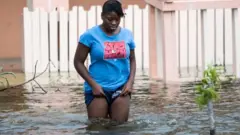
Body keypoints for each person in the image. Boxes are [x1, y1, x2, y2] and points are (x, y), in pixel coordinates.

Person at [74, 0, 136, 123]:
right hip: (97, 88)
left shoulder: (127, 35)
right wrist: (93, 85)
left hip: (121, 87)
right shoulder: (90, 35)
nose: (113, 23)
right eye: (109, 19)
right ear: (102, 16)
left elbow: (132, 60)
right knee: (98, 128)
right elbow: (78, 62)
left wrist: (130, 83)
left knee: (120, 128)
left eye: (117, 19)